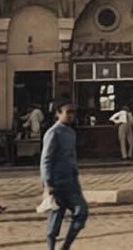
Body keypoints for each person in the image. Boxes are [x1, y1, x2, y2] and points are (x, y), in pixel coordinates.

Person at [42, 99, 88, 249]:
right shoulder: (53, 133)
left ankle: (66, 246)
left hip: (72, 182)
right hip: (56, 183)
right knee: (55, 219)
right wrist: (47, 184)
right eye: (68, 112)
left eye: (73, 112)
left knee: (82, 212)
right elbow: (46, 160)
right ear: (58, 113)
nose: (71, 115)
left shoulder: (71, 133)